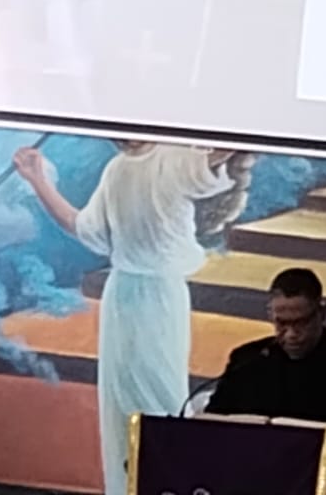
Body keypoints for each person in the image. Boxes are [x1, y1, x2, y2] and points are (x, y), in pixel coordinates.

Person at [13, 141, 237, 495]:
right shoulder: (117, 169)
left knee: (162, 401)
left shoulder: (171, 157)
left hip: (160, 297)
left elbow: (212, 160)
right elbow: (81, 226)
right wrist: (37, 178)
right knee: (119, 408)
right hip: (122, 297)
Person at [206, 267, 326, 463]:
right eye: (282, 324)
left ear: (323, 313)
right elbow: (214, 420)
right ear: (270, 314)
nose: (291, 334)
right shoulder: (247, 361)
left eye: (301, 323)